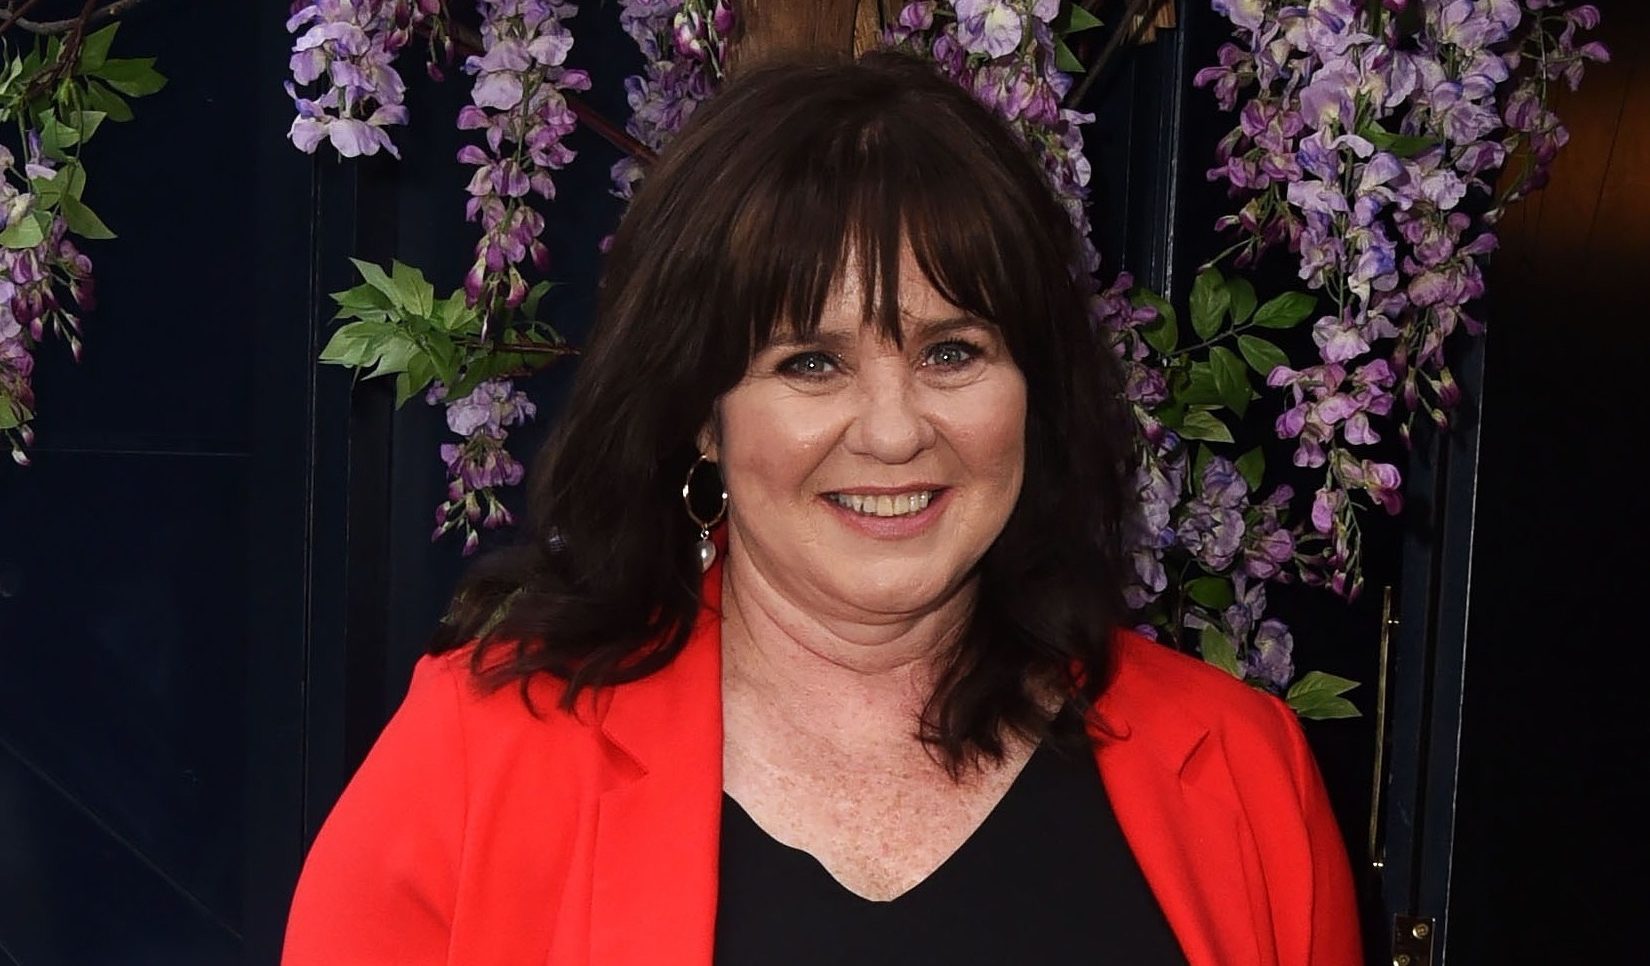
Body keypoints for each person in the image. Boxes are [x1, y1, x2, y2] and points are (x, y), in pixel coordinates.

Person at [282, 51, 1360, 965]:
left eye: (953, 352)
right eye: (810, 362)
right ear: (701, 416)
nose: (894, 432)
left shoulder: (1238, 767)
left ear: (1035, 389)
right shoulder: (480, 760)